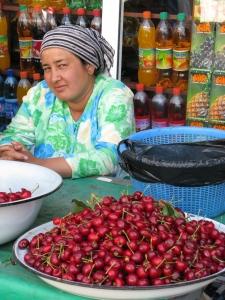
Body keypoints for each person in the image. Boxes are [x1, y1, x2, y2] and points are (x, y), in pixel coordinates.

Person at [0, 25, 135, 178]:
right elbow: (14, 135)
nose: (54, 77)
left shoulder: (114, 94)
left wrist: (36, 164)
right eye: (47, 68)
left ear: (89, 66)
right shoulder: (41, 93)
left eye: (62, 65)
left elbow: (110, 157)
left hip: (104, 197)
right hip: (47, 191)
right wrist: (12, 151)